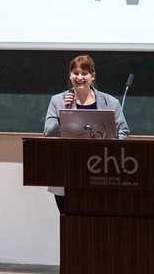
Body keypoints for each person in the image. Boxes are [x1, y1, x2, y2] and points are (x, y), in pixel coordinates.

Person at [43, 55, 129, 214]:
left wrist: (114, 146)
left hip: (100, 170)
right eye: (75, 73)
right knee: (69, 221)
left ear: (92, 76)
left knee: (97, 220)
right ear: (70, 75)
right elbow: (48, 133)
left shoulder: (110, 102)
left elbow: (123, 131)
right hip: (67, 171)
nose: (79, 77)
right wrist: (64, 112)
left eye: (84, 73)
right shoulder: (57, 101)